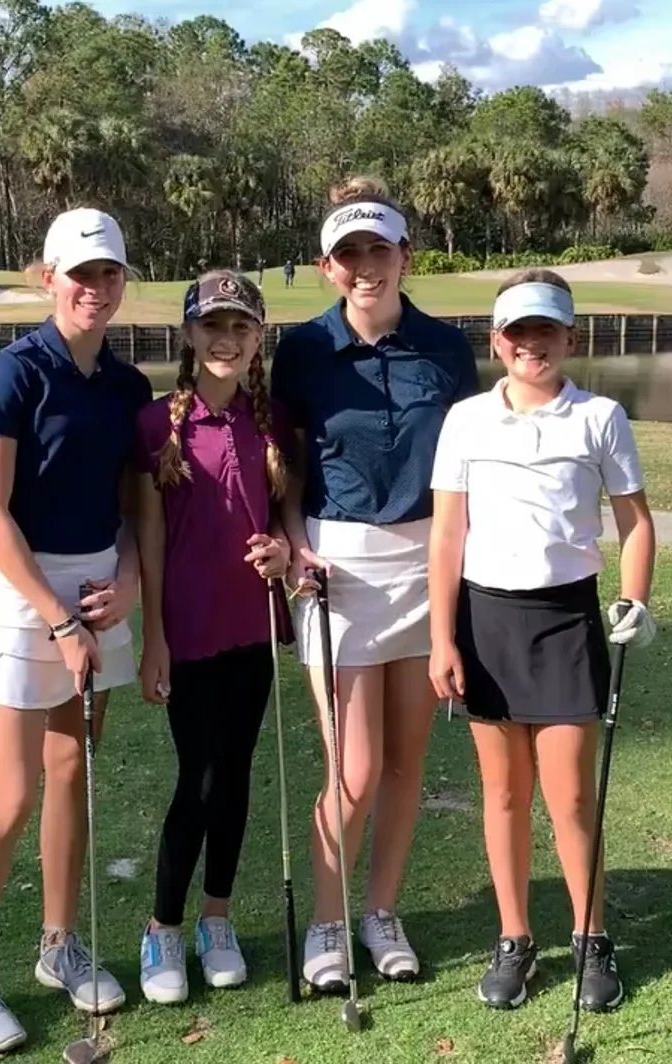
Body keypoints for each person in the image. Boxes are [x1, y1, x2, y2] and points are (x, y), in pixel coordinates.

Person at [0, 208, 152, 1053]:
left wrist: (126, 584)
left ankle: (59, 945)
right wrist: (58, 618)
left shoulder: (128, 387)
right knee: (13, 792)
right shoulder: (13, 372)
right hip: (20, 589)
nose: (95, 289)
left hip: (98, 586)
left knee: (72, 776)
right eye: (80, 274)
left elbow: (135, 510)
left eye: (109, 275)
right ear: (48, 277)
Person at [428, 268, 657, 1013]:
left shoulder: (599, 417)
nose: (532, 344)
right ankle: (514, 938)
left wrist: (635, 599)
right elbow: (446, 534)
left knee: (567, 797)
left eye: (546, 330)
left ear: (570, 337)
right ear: (496, 341)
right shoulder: (464, 418)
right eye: (517, 331)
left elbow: (635, 522)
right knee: (501, 793)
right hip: (485, 620)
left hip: (564, 619)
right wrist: (441, 639)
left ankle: (590, 937)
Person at [270, 175, 479, 990]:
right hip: (338, 568)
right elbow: (284, 468)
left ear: (404, 256)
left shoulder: (444, 348)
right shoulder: (304, 351)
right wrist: (293, 547)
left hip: (427, 561)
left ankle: (380, 912)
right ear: (328, 266)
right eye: (347, 253)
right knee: (352, 769)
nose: (365, 266)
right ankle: (326, 922)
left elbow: (467, 468)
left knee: (405, 763)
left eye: (378, 249)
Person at [135, 270, 295, 1004]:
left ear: (259, 337)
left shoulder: (271, 423)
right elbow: (151, 542)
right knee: (196, 779)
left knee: (234, 776)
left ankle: (216, 919)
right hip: (189, 631)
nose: (225, 340)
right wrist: (153, 640)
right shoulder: (155, 425)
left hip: (252, 626)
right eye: (212, 326)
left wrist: (283, 553)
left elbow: (287, 520)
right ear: (189, 335)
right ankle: (162, 927)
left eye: (240, 327)